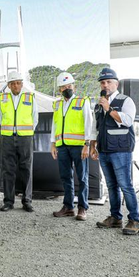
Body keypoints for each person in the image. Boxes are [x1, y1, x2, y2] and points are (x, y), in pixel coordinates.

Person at [90, 68, 139, 234]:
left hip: (121, 150)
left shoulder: (126, 101)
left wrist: (109, 109)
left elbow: (128, 121)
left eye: (109, 82)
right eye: (103, 83)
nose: (105, 85)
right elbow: (95, 127)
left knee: (125, 185)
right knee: (111, 185)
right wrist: (92, 145)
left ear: (116, 84)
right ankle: (115, 218)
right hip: (104, 150)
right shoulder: (98, 104)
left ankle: (134, 220)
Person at [51, 72, 92, 221]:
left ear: (74, 87)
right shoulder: (57, 104)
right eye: (63, 87)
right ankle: (68, 207)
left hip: (79, 146)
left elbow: (89, 123)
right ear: (59, 89)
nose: (67, 88)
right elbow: (54, 125)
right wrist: (53, 144)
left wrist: (87, 144)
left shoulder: (82, 102)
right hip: (62, 146)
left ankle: (82, 208)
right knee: (65, 177)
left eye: (69, 86)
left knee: (82, 177)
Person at [0, 71, 37, 212]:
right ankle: (8, 201)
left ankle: (27, 201)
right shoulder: (2, 98)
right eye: (13, 83)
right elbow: (1, 117)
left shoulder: (30, 97)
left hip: (25, 138)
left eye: (18, 83)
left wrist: (27, 132)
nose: (15, 86)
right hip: (7, 137)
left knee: (26, 169)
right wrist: (9, 131)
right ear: (8, 85)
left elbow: (35, 117)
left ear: (22, 84)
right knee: (8, 170)